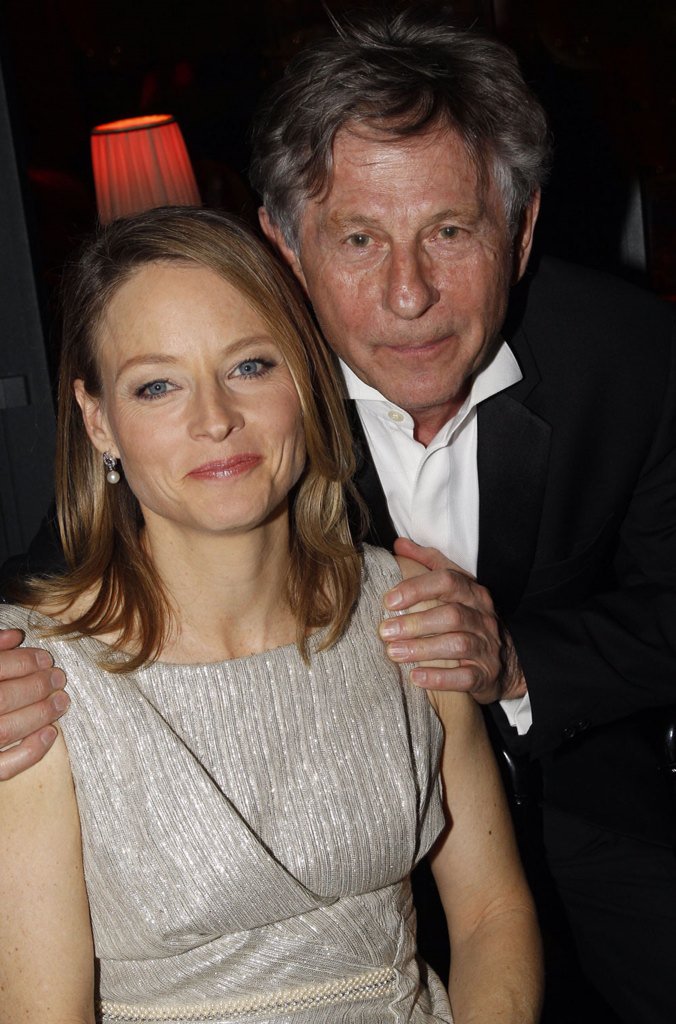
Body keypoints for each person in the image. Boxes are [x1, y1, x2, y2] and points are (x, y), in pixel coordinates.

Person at [0, 4, 675, 1021]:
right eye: (357, 238)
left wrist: (517, 663)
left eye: (449, 230)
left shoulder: (632, 356)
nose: (407, 294)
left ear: (523, 224)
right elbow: (76, 563)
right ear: (284, 242)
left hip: (584, 783)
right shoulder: (246, 383)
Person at [0, 206, 542, 1023]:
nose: (215, 418)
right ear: (98, 421)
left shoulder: (403, 610)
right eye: (157, 386)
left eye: (251, 366)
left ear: (306, 378)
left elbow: (491, 915)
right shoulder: (37, 684)